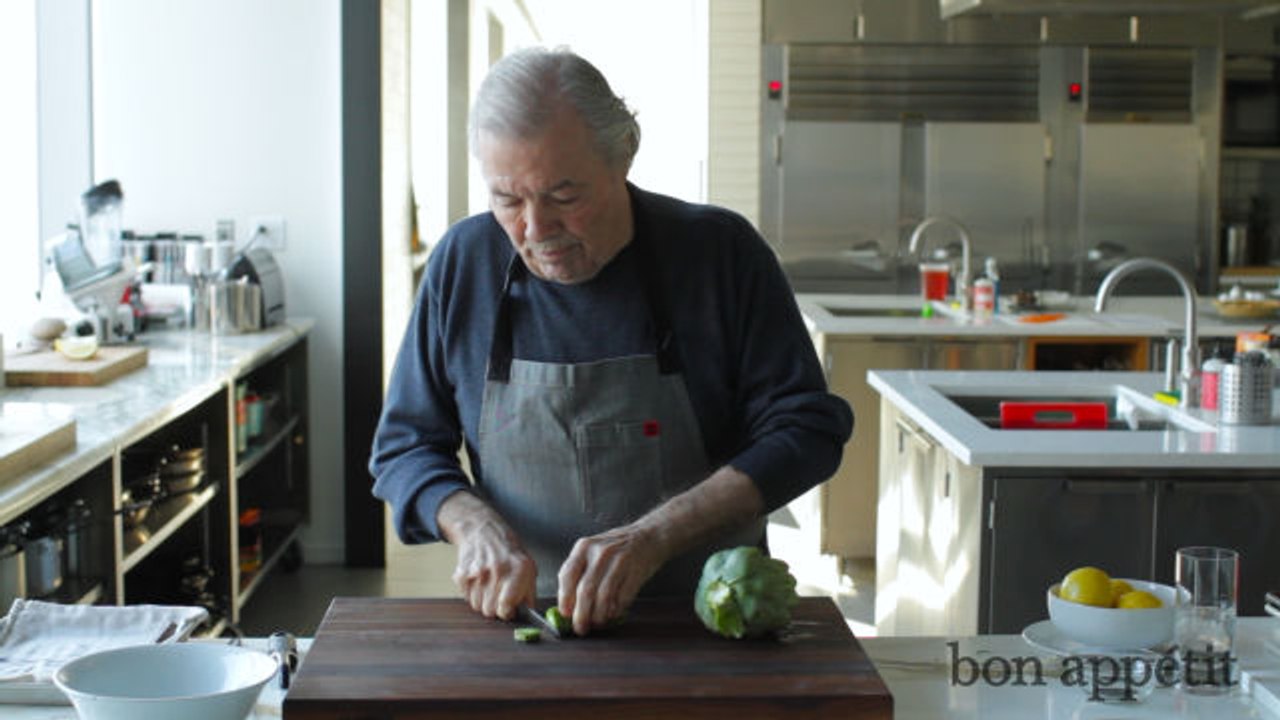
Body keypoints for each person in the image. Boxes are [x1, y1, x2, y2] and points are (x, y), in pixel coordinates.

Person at [370, 46, 853, 636]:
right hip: (526, 625)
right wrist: (472, 523)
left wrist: (654, 537)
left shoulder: (720, 254)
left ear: (624, 153)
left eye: (563, 197)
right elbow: (404, 447)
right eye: (508, 200)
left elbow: (807, 429)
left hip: (706, 621)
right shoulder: (463, 264)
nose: (536, 229)